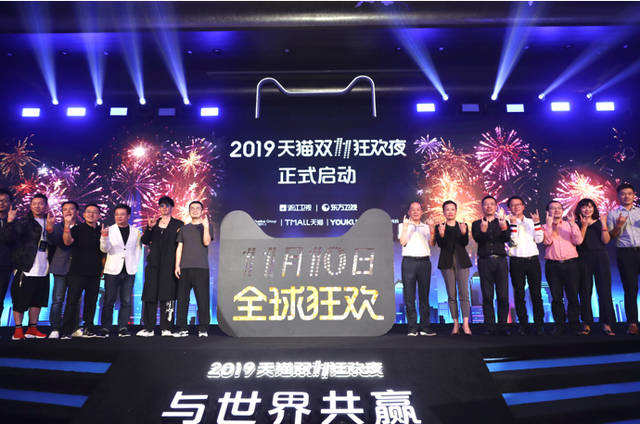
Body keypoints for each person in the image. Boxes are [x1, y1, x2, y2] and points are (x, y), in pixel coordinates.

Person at [0, 194, 53, 340]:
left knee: (37, 300)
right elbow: (7, 239)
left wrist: (51, 230)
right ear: (30, 206)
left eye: (41, 203)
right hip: (26, 266)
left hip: (44, 267)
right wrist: (10, 222)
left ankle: (32, 328)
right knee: (20, 300)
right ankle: (18, 330)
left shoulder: (50, 221)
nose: (37, 206)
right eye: (34, 203)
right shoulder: (24, 222)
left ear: (46, 206)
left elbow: (55, 243)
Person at [137, 196, 184, 337]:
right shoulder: (154, 223)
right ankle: (149, 328)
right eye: (162, 206)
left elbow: (181, 244)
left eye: (167, 205)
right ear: (159, 208)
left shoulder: (178, 224)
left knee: (168, 295)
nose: (164, 208)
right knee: (150, 295)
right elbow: (145, 241)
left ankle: (166, 327)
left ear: (172, 207)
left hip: (170, 265)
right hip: (153, 265)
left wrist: (178, 265)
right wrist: (150, 228)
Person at [97, 204, 142, 338]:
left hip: (129, 270)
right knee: (109, 300)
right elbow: (104, 249)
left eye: (122, 214)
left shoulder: (136, 231)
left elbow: (138, 250)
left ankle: (123, 327)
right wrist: (104, 237)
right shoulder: (109, 230)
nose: (119, 217)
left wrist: (134, 264)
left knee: (126, 301)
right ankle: (106, 327)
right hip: (112, 270)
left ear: (128, 216)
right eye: (117, 214)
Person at [61, 204, 105, 339]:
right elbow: (67, 242)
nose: (91, 214)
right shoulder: (77, 229)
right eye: (88, 212)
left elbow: (105, 252)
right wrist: (67, 226)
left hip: (95, 272)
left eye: (94, 212)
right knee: (72, 301)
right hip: (77, 271)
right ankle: (66, 331)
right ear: (84, 215)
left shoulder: (102, 230)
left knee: (91, 302)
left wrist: (103, 269)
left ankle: (88, 328)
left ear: (99, 215)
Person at [575, 198, 615, 336]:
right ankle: (586, 323)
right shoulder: (576, 223)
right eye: (584, 207)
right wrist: (584, 225)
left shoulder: (600, 222)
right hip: (583, 257)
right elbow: (579, 242)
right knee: (585, 290)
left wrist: (603, 223)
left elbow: (606, 241)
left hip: (601, 257)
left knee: (604, 290)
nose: (587, 209)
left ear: (594, 209)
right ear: (580, 209)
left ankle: (607, 323)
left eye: (590, 207)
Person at [542, 201, 583, 335]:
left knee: (573, 295)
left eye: (559, 208)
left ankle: (574, 324)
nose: (556, 210)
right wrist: (549, 226)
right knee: (556, 297)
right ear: (548, 211)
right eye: (553, 208)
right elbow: (547, 241)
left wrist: (572, 224)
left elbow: (578, 241)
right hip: (553, 265)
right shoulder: (543, 227)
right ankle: (559, 325)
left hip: (571, 264)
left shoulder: (569, 224)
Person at [471, 196, 510, 336]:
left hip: (501, 261)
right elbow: (478, 239)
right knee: (487, 296)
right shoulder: (476, 223)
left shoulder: (503, 221)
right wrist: (483, 230)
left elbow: (506, 238)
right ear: (482, 207)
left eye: (491, 204)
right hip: (485, 261)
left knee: (503, 295)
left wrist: (504, 228)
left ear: (496, 206)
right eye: (486, 204)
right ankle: (490, 326)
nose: (489, 206)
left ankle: (503, 326)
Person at [507, 196, 545, 336]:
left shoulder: (531, 221)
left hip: (532, 260)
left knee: (536, 294)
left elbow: (539, 239)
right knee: (519, 294)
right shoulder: (506, 222)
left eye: (519, 204)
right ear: (509, 208)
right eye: (513, 205)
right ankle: (523, 324)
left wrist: (537, 223)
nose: (516, 207)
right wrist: (513, 225)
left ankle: (539, 324)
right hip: (516, 261)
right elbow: (513, 242)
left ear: (523, 206)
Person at [174, 201, 212, 338]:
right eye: (192, 208)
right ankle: (182, 328)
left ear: (202, 211)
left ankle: (203, 328)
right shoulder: (184, 229)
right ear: (189, 211)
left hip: (201, 268)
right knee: (182, 299)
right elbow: (179, 248)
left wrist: (206, 227)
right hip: (185, 268)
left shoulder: (206, 226)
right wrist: (177, 265)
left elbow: (206, 242)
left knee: (203, 299)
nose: (195, 210)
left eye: (197, 208)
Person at [399, 201, 436, 336]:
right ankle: (412, 328)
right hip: (409, 262)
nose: (415, 212)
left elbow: (432, 243)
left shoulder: (426, 227)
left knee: (424, 296)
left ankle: (425, 327)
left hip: (424, 262)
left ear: (421, 212)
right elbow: (403, 242)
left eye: (418, 209)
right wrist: (406, 228)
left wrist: (432, 229)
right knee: (409, 296)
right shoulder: (403, 225)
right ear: (409, 212)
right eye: (412, 210)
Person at [435, 200, 472, 335]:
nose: (450, 212)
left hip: (462, 261)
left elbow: (464, 243)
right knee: (451, 295)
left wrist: (463, 232)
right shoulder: (440, 226)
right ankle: (456, 324)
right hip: (446, 262)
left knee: (464, 294)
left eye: (452, 209)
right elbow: (441, 244)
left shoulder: (462, 225)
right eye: (447, 209)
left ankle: (466, 324)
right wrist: (442, 234)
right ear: (444, 212)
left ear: (456, 211)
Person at [607, 182, 640, 335]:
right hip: (625, 254)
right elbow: (611, 236)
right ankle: (632, 323)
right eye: (623, 194)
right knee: (630, 289)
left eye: (629, 193)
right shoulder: (613, 214)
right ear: (618, 196)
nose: (626, 196)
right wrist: (619, 225)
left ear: (634, 195)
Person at [46, 201, 79, 339]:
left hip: (77, 268)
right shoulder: (57, 227)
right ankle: (55, 328)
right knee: (57, 299)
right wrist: (50, 229)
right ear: (62, 212)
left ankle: (72, 328)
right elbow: (55, 242)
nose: (68, 211)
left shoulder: (82, 227)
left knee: (75, 300)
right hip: (60, 267)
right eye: (65, 209)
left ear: (77, 212)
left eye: (71, 209)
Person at [0, 188, 14, 328]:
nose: (1, 203)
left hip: (4, 265)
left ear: (10, 203)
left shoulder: (15, 222)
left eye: (5, 201)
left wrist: (10, 222)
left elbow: (10, 241)